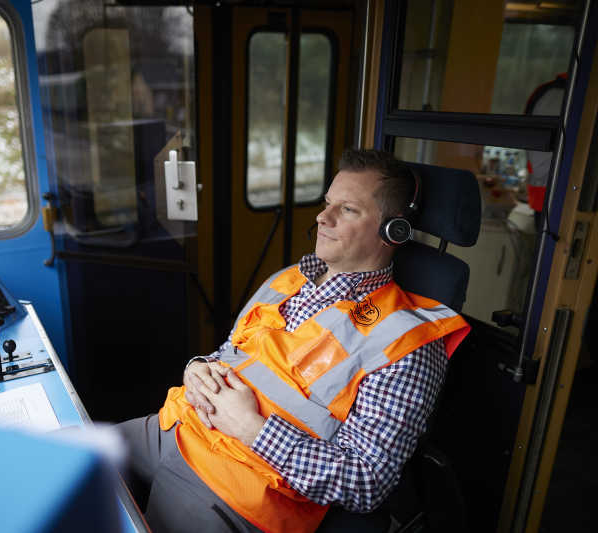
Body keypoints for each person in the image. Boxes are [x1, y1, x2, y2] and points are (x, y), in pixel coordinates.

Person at [117, 149, 471, 533]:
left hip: (235, 485)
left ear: (393, 231)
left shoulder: (407, 342)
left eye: (348, 209)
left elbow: (367, 482)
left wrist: (253, 430)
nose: (323, 217)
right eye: (327, 203)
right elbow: (231, 354)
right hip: (177, 426)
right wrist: (198, 369)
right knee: (60, 455)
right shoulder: (288, 280)